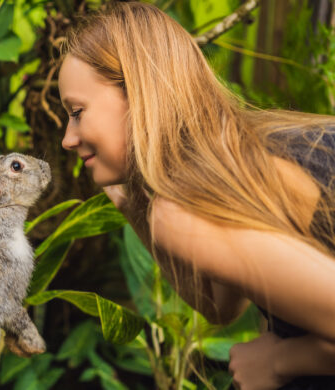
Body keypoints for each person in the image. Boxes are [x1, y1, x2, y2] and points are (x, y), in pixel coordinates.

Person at [56, 2, 335, 390]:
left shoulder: (182, 211)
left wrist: (279, 362)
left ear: (137, 94)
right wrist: (136, 208)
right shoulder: (235, 154)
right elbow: (220, 304)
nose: (68, 139)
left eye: (77, 111)